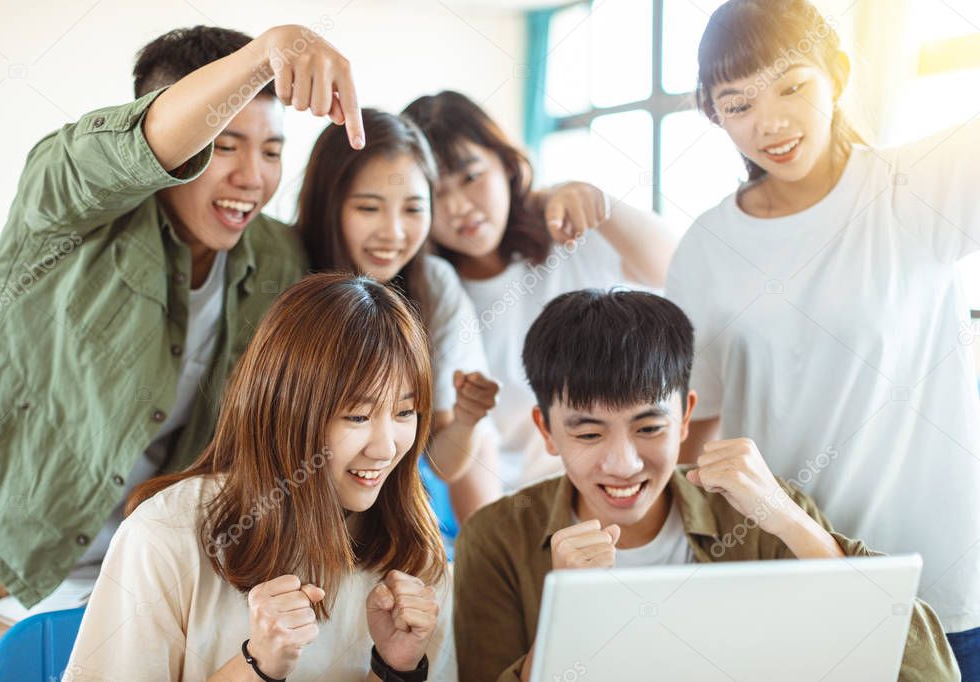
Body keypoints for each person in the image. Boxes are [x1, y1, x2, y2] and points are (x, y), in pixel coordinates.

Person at [0, 24, 362, 607]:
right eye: (224, 143)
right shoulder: (68, 205)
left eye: (272, 151)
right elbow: (125, 149)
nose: (253, 177)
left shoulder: (276, 257)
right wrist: (271, 48)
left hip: (131, 574)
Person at [664, 0, 980, 673]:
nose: (769, 123)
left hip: (939, 582)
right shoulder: (708, 246)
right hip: (784, 579)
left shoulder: (912, 189)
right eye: (736, 103)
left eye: (792, 86)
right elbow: (692, 425)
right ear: (711, 112)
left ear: (836, 73)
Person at [453, 288, 959, 681]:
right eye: (588, 432)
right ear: (546, 431)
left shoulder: (761, 515)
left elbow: (926, 672)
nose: (624, 463)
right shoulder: (497, 540)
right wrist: (569, 613)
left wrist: (790, 521)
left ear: (686, 417)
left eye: (649, 427)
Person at [65, 273, 454, 681]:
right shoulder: (165, 535)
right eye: (357, 416)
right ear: (285, 410)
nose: (386, 447)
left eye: (404, 412)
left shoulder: (415, 552)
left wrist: (396, 670)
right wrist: (257, 666)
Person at [403, 91, 678, 499]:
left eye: (471, 177)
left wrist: (598, 202)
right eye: (435, 193)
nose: (458, 206)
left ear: (507, 164)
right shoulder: (434, 298)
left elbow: (674, 267)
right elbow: (466, 456)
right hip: (533, 509)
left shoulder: (566, 234)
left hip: (634, 481)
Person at [297, 108, 500, 520]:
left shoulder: (434, 285)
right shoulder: (286, 273)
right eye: (369, 208)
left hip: (388, 512)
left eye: (412, 209)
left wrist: (465, 420)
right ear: (328, 205)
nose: (393, 232)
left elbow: (443, 462)